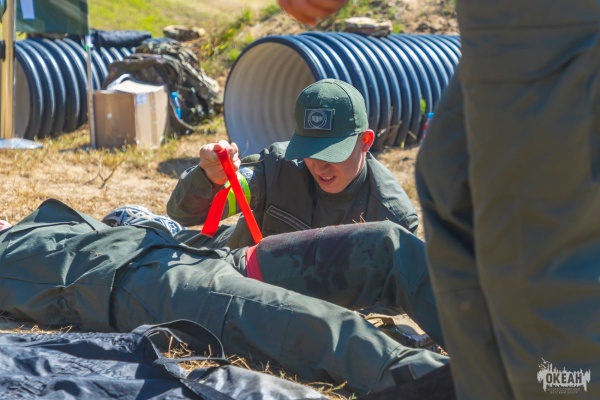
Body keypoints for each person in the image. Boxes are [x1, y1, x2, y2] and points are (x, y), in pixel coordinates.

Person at [281, 1, 600, 399]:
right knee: (451, 183)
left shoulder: (387, 204)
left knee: (528, 228)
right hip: (492, 24)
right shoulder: (280, 170)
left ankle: (564, 386)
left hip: (546, 17)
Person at [0, 198, 451, 398]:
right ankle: (450, 384)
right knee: (321, 327)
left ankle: (490, 338)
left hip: (199, 252)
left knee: (383, 245)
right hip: (146, 284)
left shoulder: (36, 222)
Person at [166, 78, 418, 249]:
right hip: (235, 275)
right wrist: (211, 179)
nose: (320, 167)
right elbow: (184, 214)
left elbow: (392, 298)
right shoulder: (277, 168)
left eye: (332, 154)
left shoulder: (391, 218)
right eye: (310, 152)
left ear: (365, 141)